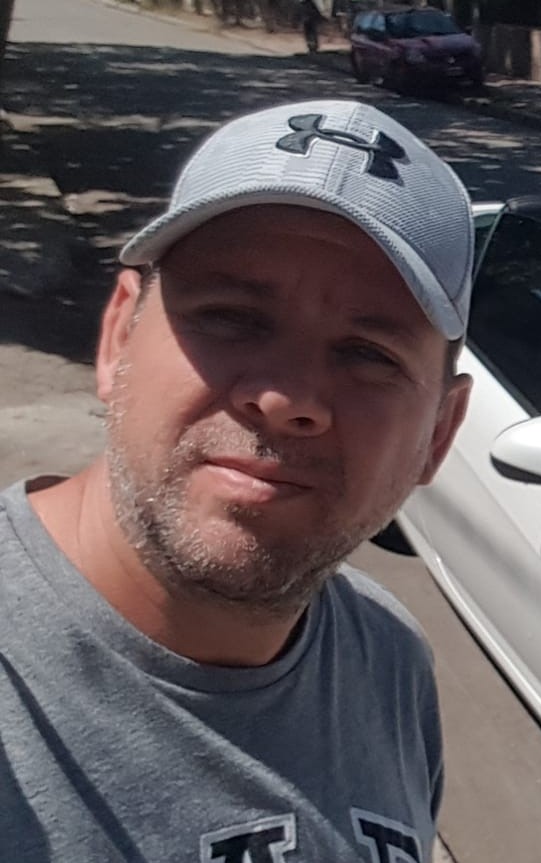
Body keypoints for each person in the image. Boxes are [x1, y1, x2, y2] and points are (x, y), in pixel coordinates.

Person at [0, 99, 474, 861]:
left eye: (368, 354)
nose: (287, 399)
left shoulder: (386, 658)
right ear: (118, 338)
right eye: (231, 317)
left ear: (439, 434)